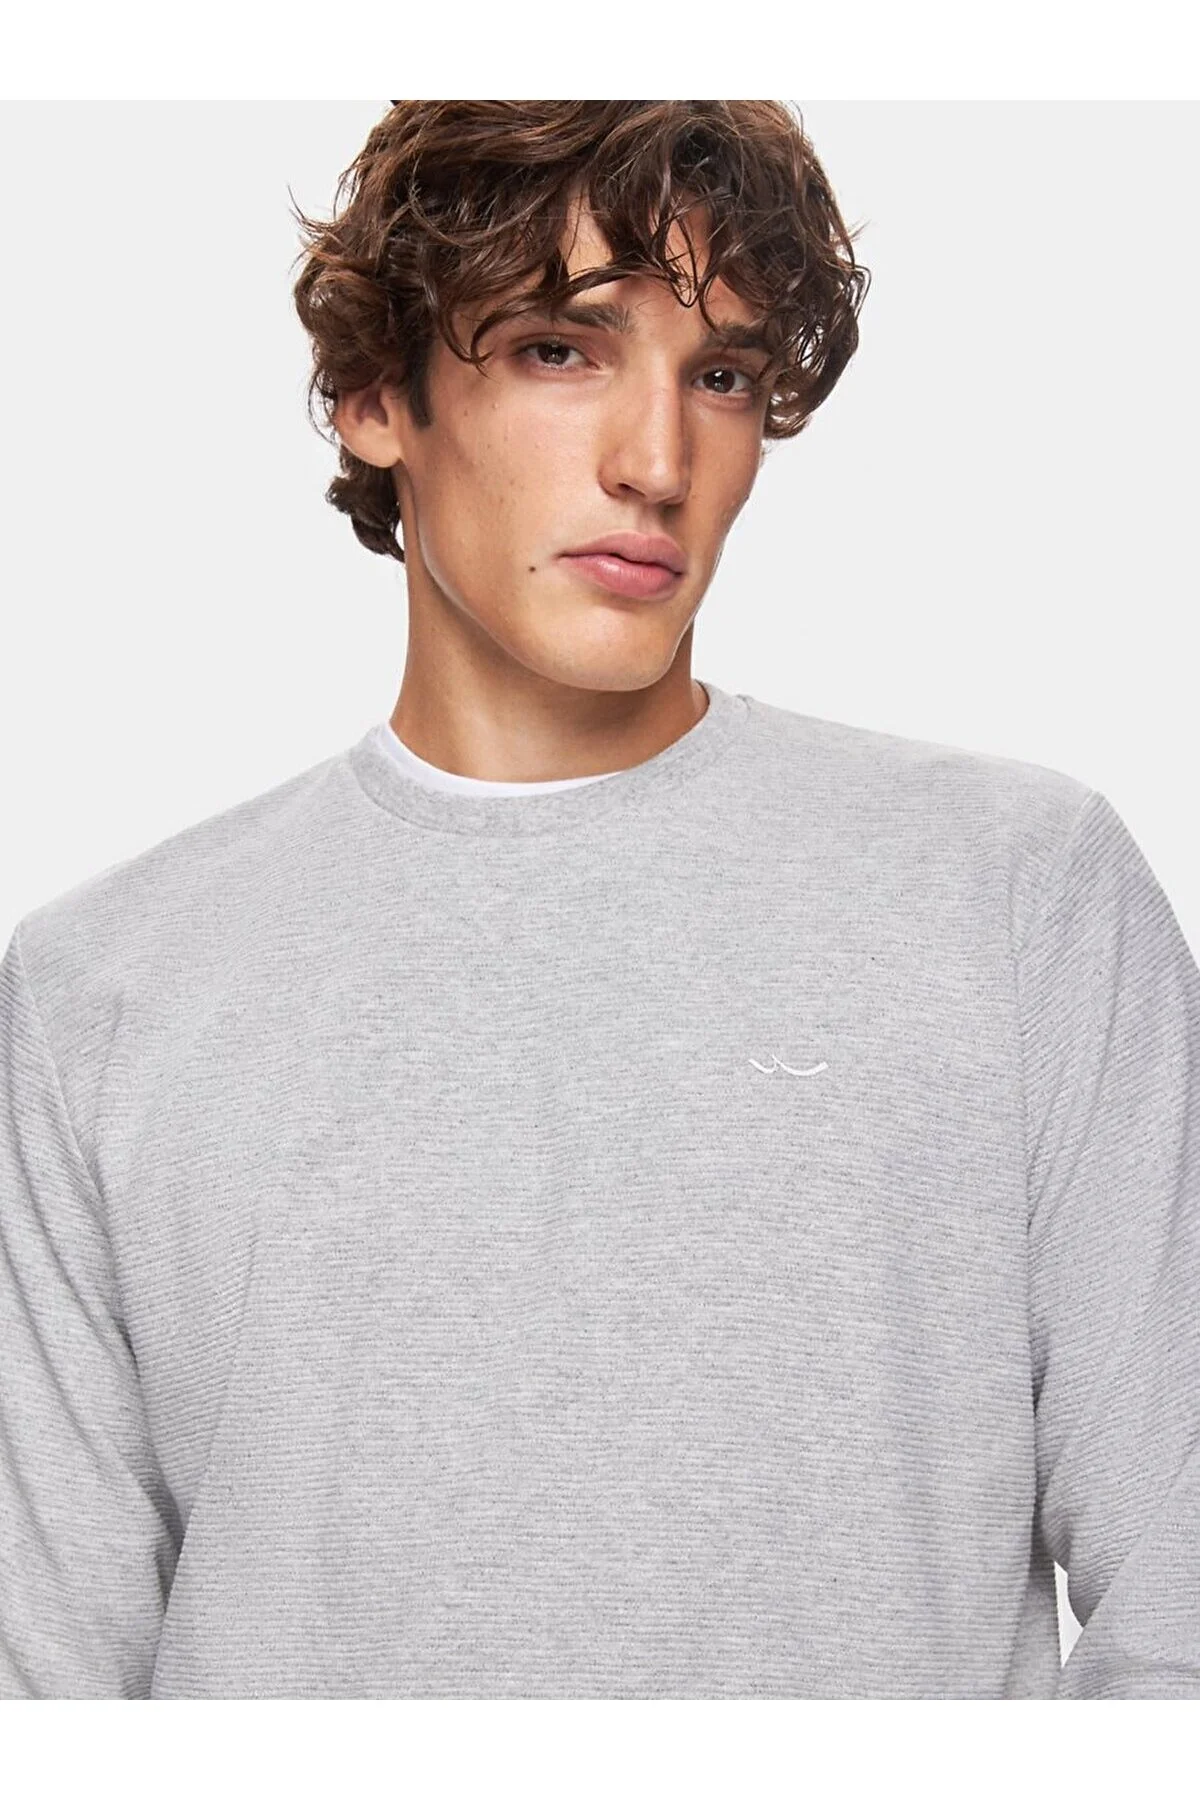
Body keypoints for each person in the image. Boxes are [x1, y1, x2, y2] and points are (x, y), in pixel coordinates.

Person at [1, 100, 1196, 1702]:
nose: (658, 462)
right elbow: (44, 1690)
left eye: (722, 376)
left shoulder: (1017, 893)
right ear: (377, 396)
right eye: (561, 349)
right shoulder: (103, 989)